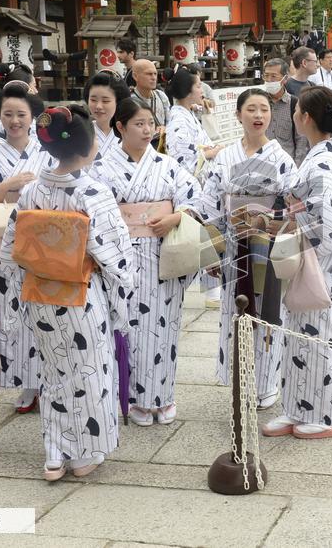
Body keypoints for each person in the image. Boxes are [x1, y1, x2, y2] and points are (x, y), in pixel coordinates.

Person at [0, 105, 135, 480]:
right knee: (88, 374)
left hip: (40, 295)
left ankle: (54, 454)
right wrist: (124, 294)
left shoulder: (31, 191)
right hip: (80, 294)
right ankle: (83, 455)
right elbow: (116, 255)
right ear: (87, 146)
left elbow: (11, 248)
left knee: (54, 373)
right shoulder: (92, 191)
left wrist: (17, 294)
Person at [90, 98, 199, 426]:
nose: (148, 129)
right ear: (120, 127)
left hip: (161, 255)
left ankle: (163, 397)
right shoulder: (101, 168)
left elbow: (195, 198)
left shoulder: (166, 165)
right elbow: (93, 212)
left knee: (164, 328)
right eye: (139, 123)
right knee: (128, 327)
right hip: (121, 258)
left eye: (151, 123)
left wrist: (176, 216)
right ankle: (135, 398)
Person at [199, 89, 298, 408]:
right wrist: (210, 249)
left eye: (264, 110)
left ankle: (267, 382)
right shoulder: (225, 157)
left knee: (268, 308)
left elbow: (296, 204)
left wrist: (269, 219)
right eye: (251, 109)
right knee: (235, 310)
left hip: (267, 246)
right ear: (238, 115)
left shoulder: (281, 158)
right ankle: (239, 378)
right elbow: (210, 203)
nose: (258, 115)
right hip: (232, 246)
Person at [261, 86, 332, 439]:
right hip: (303, 254)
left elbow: (329, 226)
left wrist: (287, 225)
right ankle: (296, 407)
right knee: (297, 337)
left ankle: (328, 415)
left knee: (317, 337)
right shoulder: (318, 155)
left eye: (297, 112)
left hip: (317, 260)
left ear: (305, 117)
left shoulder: (324, 162)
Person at [0, 81, 52, 414]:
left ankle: (48, 380)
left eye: (21, 114)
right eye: (7, 114)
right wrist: (7, 186)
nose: (14, 121)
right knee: (11, 316)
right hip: (4, 248)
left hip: (43, 244)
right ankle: (27, 385)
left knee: (43, 314)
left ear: (33, 117)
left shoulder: (46, 154)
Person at [165, 66, 221, 176]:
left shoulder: (186, 113)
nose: (202, 90)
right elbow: (183, 161)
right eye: (199, 86)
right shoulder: (178, 120)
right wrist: (212, 152)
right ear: (187, 90)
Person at [262, 58, 309, 166]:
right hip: (263, 165)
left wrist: (297, 167)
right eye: (266, 75)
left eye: (273, 76)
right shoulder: (259, 102)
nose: (269, 80)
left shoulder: (294, 104)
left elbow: (301, 140)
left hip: (287, 166)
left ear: (285, 78)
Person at [85, 72, 130, 162]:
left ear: (118, 101)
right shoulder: (81, 132)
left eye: (105, 101)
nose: (98, 106)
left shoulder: (130, 132)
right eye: (93, 100)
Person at [130, 59, 170, 129]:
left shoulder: (161, 96)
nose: (153, 78)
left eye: (155, 74)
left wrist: (165, 129)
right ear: (135, 76)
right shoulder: (130, 100)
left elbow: (170, 122)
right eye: (149, 74)